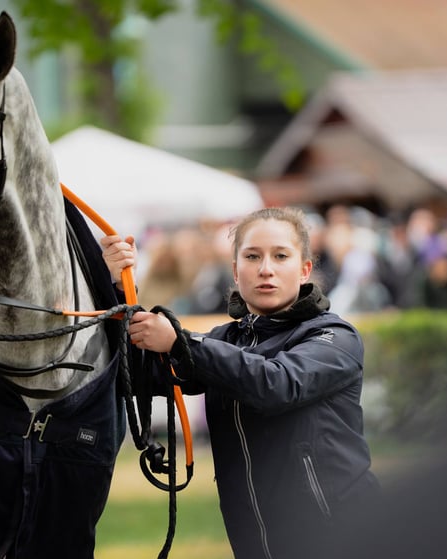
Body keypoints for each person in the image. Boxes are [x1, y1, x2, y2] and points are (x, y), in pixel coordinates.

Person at [100, 207, 379, 559]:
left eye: (281, 255)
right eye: (252, 256)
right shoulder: (225, 340)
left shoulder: (335, 335)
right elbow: (136, 374)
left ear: (305, 269)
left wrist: (180, 342)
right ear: (235, 270)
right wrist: (115, 285)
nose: (266, 269)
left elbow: (277, 384)